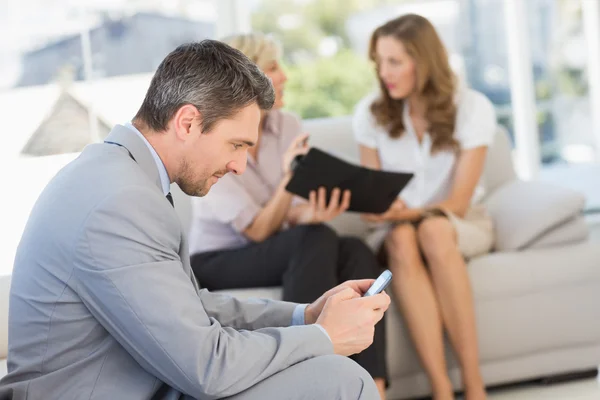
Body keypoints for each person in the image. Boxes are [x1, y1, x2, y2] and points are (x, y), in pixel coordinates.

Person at [0, 40, 391, 400]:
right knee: (342, 380)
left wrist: (302, 316)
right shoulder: (119, 200)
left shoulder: (122, 177)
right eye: (236, 145)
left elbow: (191, 309)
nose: (239, 165)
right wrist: (322, 336)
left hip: (142, 382)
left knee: (330, 373)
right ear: (187, 123)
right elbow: (207, 367)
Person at [187, 33, 388, 399]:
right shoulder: (217, 139)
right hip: (219, 259)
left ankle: (374, 389)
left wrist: (305, 213)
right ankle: (309, 373)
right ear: (247, 78)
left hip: (276, 246)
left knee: (356, 251)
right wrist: (291, 184)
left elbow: (282, 221)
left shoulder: (288, 125)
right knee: (316, 237)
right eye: (273, 67)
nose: (284, 77)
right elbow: (259, 230)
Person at [353, 15, 496, 400]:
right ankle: (441, 390)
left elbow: (458, 203)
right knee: (401, 237)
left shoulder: (471, 106)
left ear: (425, 61)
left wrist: (405, 213)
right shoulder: (370, 113)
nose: (385, 73)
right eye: (379, 62)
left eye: (395, 62)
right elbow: (371, 203)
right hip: (397, 229)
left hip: (457, 222)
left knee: (431, 230)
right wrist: (382, 210)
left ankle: (474, 383)